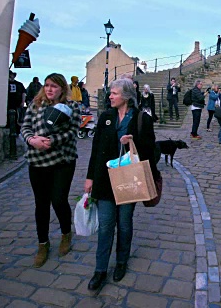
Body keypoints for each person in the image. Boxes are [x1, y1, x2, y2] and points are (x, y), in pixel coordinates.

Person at [85, 78, 159, 290]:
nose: (110, 96)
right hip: (105, 180)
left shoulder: (141, 119)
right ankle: (100, 270)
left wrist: (132, 142)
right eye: (110, 93)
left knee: (124, 224)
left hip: (129, 180)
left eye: (114, 93)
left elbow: (151, 151)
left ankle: (121, 262)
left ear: (126, 96)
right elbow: (96, 148)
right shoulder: (106, 117)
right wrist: (90, 177)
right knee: (106, 225)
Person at [21, 73, 81, 268]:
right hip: (37, 161)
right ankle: (43, 244)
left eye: (54, 86)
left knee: (58, 199)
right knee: (41, 204)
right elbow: (25, 126)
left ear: (62, 89)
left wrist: (51, 141)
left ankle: (66, 234)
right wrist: (32, 140)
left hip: (62, 161)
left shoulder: (71, 107)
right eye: (47, 85)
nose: (49, 89)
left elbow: (73, 131)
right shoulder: (35, 104)